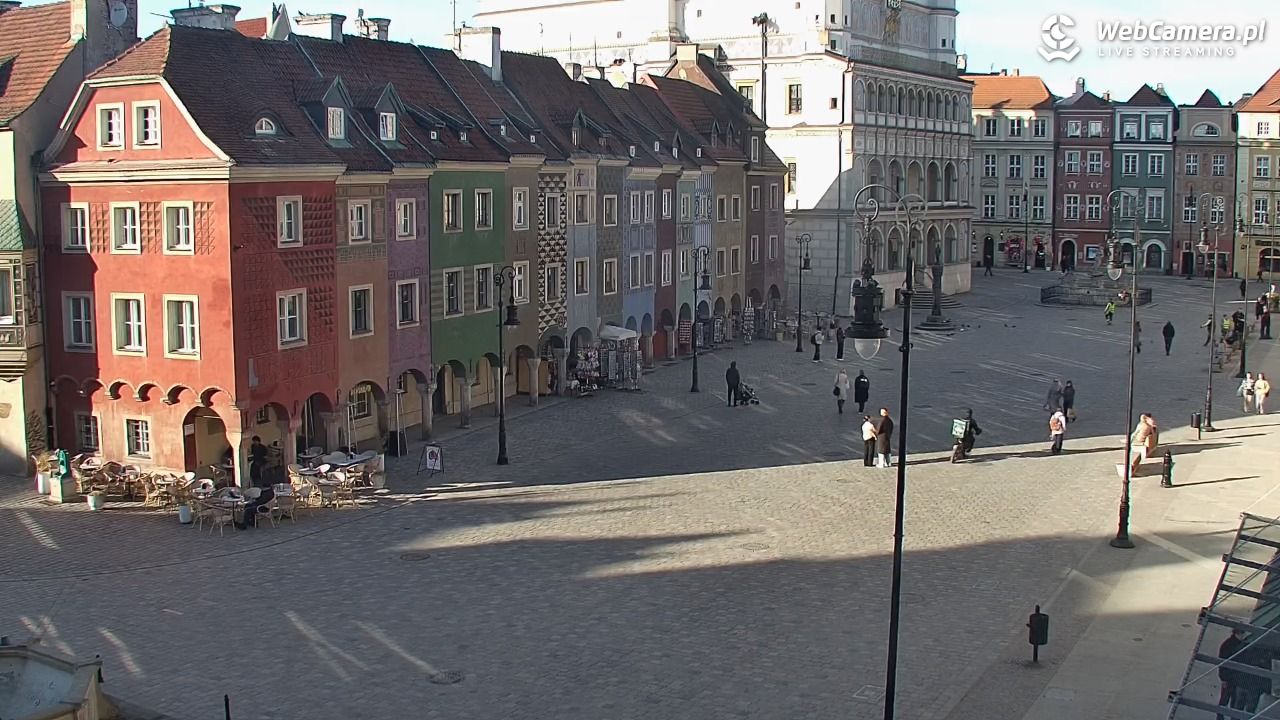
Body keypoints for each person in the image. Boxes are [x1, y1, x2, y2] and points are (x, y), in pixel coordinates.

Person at [1217, 628, 1246, 720]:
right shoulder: (1234, 645)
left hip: (1230, 677)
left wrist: (1223, 678)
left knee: (1226, 698)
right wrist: (1224, 678)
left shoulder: (1228, 644)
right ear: (1238, 633)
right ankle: (1224, 716)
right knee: (1230, 699)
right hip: (1232, 677)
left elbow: (1221, 663)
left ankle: (1220, 716)